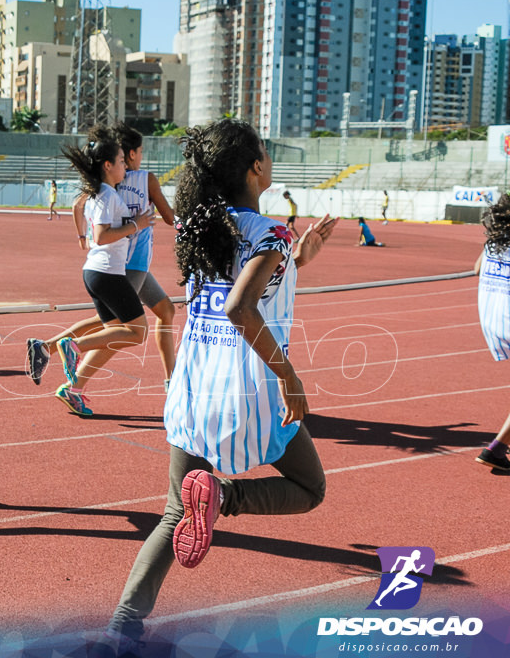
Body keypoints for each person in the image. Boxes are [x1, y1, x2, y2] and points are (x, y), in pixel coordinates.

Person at [93, 118, 336, 657]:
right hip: (249, 390)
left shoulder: (203, 225)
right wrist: (290, 376)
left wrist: (299, 262)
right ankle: (225, 496)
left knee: (176, 511)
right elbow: (241, 306)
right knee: (310, 488)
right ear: (255, 168)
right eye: (266, 155)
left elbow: (240, 285)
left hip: (195, 385)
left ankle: (122, 628)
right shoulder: (269, 231)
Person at [25, 122, 177, 397]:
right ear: (129, 155)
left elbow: (77, 205)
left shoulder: (107, 183)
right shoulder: (144, 179)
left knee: (165, 311)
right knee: (118, 330)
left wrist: (81, 238)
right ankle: (72, 381)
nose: (141, 156)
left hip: (122, 263)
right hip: (130, 264)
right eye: (140, 151)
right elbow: (169, 217)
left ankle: (171, 379)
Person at [473, 194, 510, 472]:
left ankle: (497, 449)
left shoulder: (493, 245)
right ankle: (496, 448)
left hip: (494, 323)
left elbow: (476, 269)